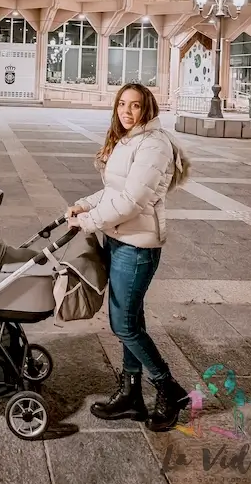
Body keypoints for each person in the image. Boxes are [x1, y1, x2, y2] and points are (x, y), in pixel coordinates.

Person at [67, 82, 190, 432]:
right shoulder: (131, 139)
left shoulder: (153, 144)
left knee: (123, 325)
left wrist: (88, 222)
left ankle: (169, 389)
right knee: (130, 322)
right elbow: (114, 189)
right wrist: (86, 204)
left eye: (135, 106)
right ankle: (132, 394)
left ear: (147, 109)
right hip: (120, 238)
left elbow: (134, 200)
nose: (126, 111)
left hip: (137, 246)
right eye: (122, 104)